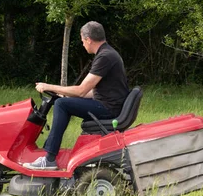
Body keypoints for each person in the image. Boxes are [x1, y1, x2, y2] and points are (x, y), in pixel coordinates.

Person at [23, 21, 129, 170]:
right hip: (110, 104)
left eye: (82, 41)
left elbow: (81, 90)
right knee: (64, 101)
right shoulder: (108, 53)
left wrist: (48, 86)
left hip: (108, 109)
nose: (83, 44)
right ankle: (50, 156)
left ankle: (49, 159)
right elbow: (95, 91)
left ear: (88, 39)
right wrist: (63, 93)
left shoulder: (105, 57)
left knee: (61, 104)